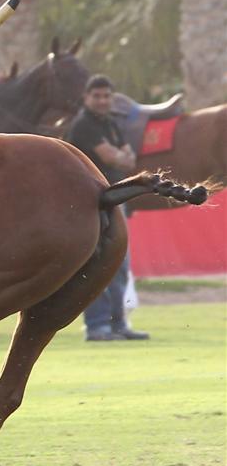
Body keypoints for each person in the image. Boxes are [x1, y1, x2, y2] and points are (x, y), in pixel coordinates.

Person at [65, 74, 149, 342]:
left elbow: (129, 160)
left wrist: (120, 156)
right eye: (97, 96)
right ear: (86, 98)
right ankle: (97, 326)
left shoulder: (110, 123)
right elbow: (113, 157)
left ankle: (118, 324)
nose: (102, 101)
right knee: (95, 264)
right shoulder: (84, 124)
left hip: (114, 200)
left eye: (106, 96)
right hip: (90, 203)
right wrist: (120, 156)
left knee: (118, 265)